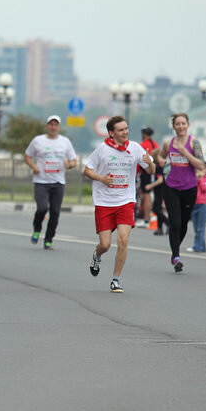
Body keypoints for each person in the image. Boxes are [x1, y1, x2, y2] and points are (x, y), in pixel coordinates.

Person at [83, 115, 155, 292]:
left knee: (123, 240)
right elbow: (87, 170)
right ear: (111, 133)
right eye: (120, 130)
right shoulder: (102, 149)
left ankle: (115, 279)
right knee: (105, 244)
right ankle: (97, 255)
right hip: (104, 201)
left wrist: (150, 164)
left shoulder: (135, 148)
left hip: (126, 200)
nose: (125, 132)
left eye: (126, 129)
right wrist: (101, 178)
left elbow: (151, 170)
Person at [151, 112, 206, 272]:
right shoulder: (168, 142)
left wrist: (184, 152)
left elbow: (200, 164)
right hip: (171, 187)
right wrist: (160, 161)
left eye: (183, 123)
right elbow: (160, 157)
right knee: (174, 223)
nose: (180, 126)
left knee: (183, 224)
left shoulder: (194, 142)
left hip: (189, 188)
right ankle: (176, 256)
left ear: (188, 125)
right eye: (177, 124)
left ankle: (175, 249)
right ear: (174, 126)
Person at [23, 114, 79, 248]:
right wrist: (34, 167)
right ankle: (37, 230)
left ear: (59, 127)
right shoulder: (38, 140)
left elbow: (74, 160)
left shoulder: (65, 142)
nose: (53, 127)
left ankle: (48, 239)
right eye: (51, 124)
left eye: (55, 125)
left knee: (55, 212)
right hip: (41, 182)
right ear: (47, 126)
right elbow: (27, 156)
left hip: (58, 183)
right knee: (42, 208)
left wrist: (69, 165)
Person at [137, 127, 159, 227]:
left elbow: (139, 160)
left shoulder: (143, 145)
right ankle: (148, 217)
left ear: (144, 134)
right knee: (149, 194)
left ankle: (146, 219)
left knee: (146, 194)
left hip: (146, 171)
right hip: (155, 170)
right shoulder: (155, 144)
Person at [191, 166, 206, 252]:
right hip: (194, 203)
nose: (200, 171)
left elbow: (204, 188)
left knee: (201, 228)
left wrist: (200, 179)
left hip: (203, 204)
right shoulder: (193, 178)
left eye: (202, 169)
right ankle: (202, 246)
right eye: (198, 169)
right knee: (196, 227)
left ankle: (197, 246)